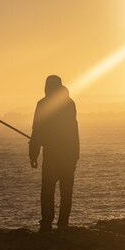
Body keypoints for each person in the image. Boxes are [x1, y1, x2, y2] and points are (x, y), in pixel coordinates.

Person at [29, 75, 80, 232]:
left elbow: (37, 131)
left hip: (51, 155)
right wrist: (76, 155)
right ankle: (63, 224)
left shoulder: (42, 104)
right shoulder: (70, 104)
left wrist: (33, 154)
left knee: (47, 191)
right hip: (69, 155)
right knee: (66, 192)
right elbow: (74, 131)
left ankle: (46, 223)